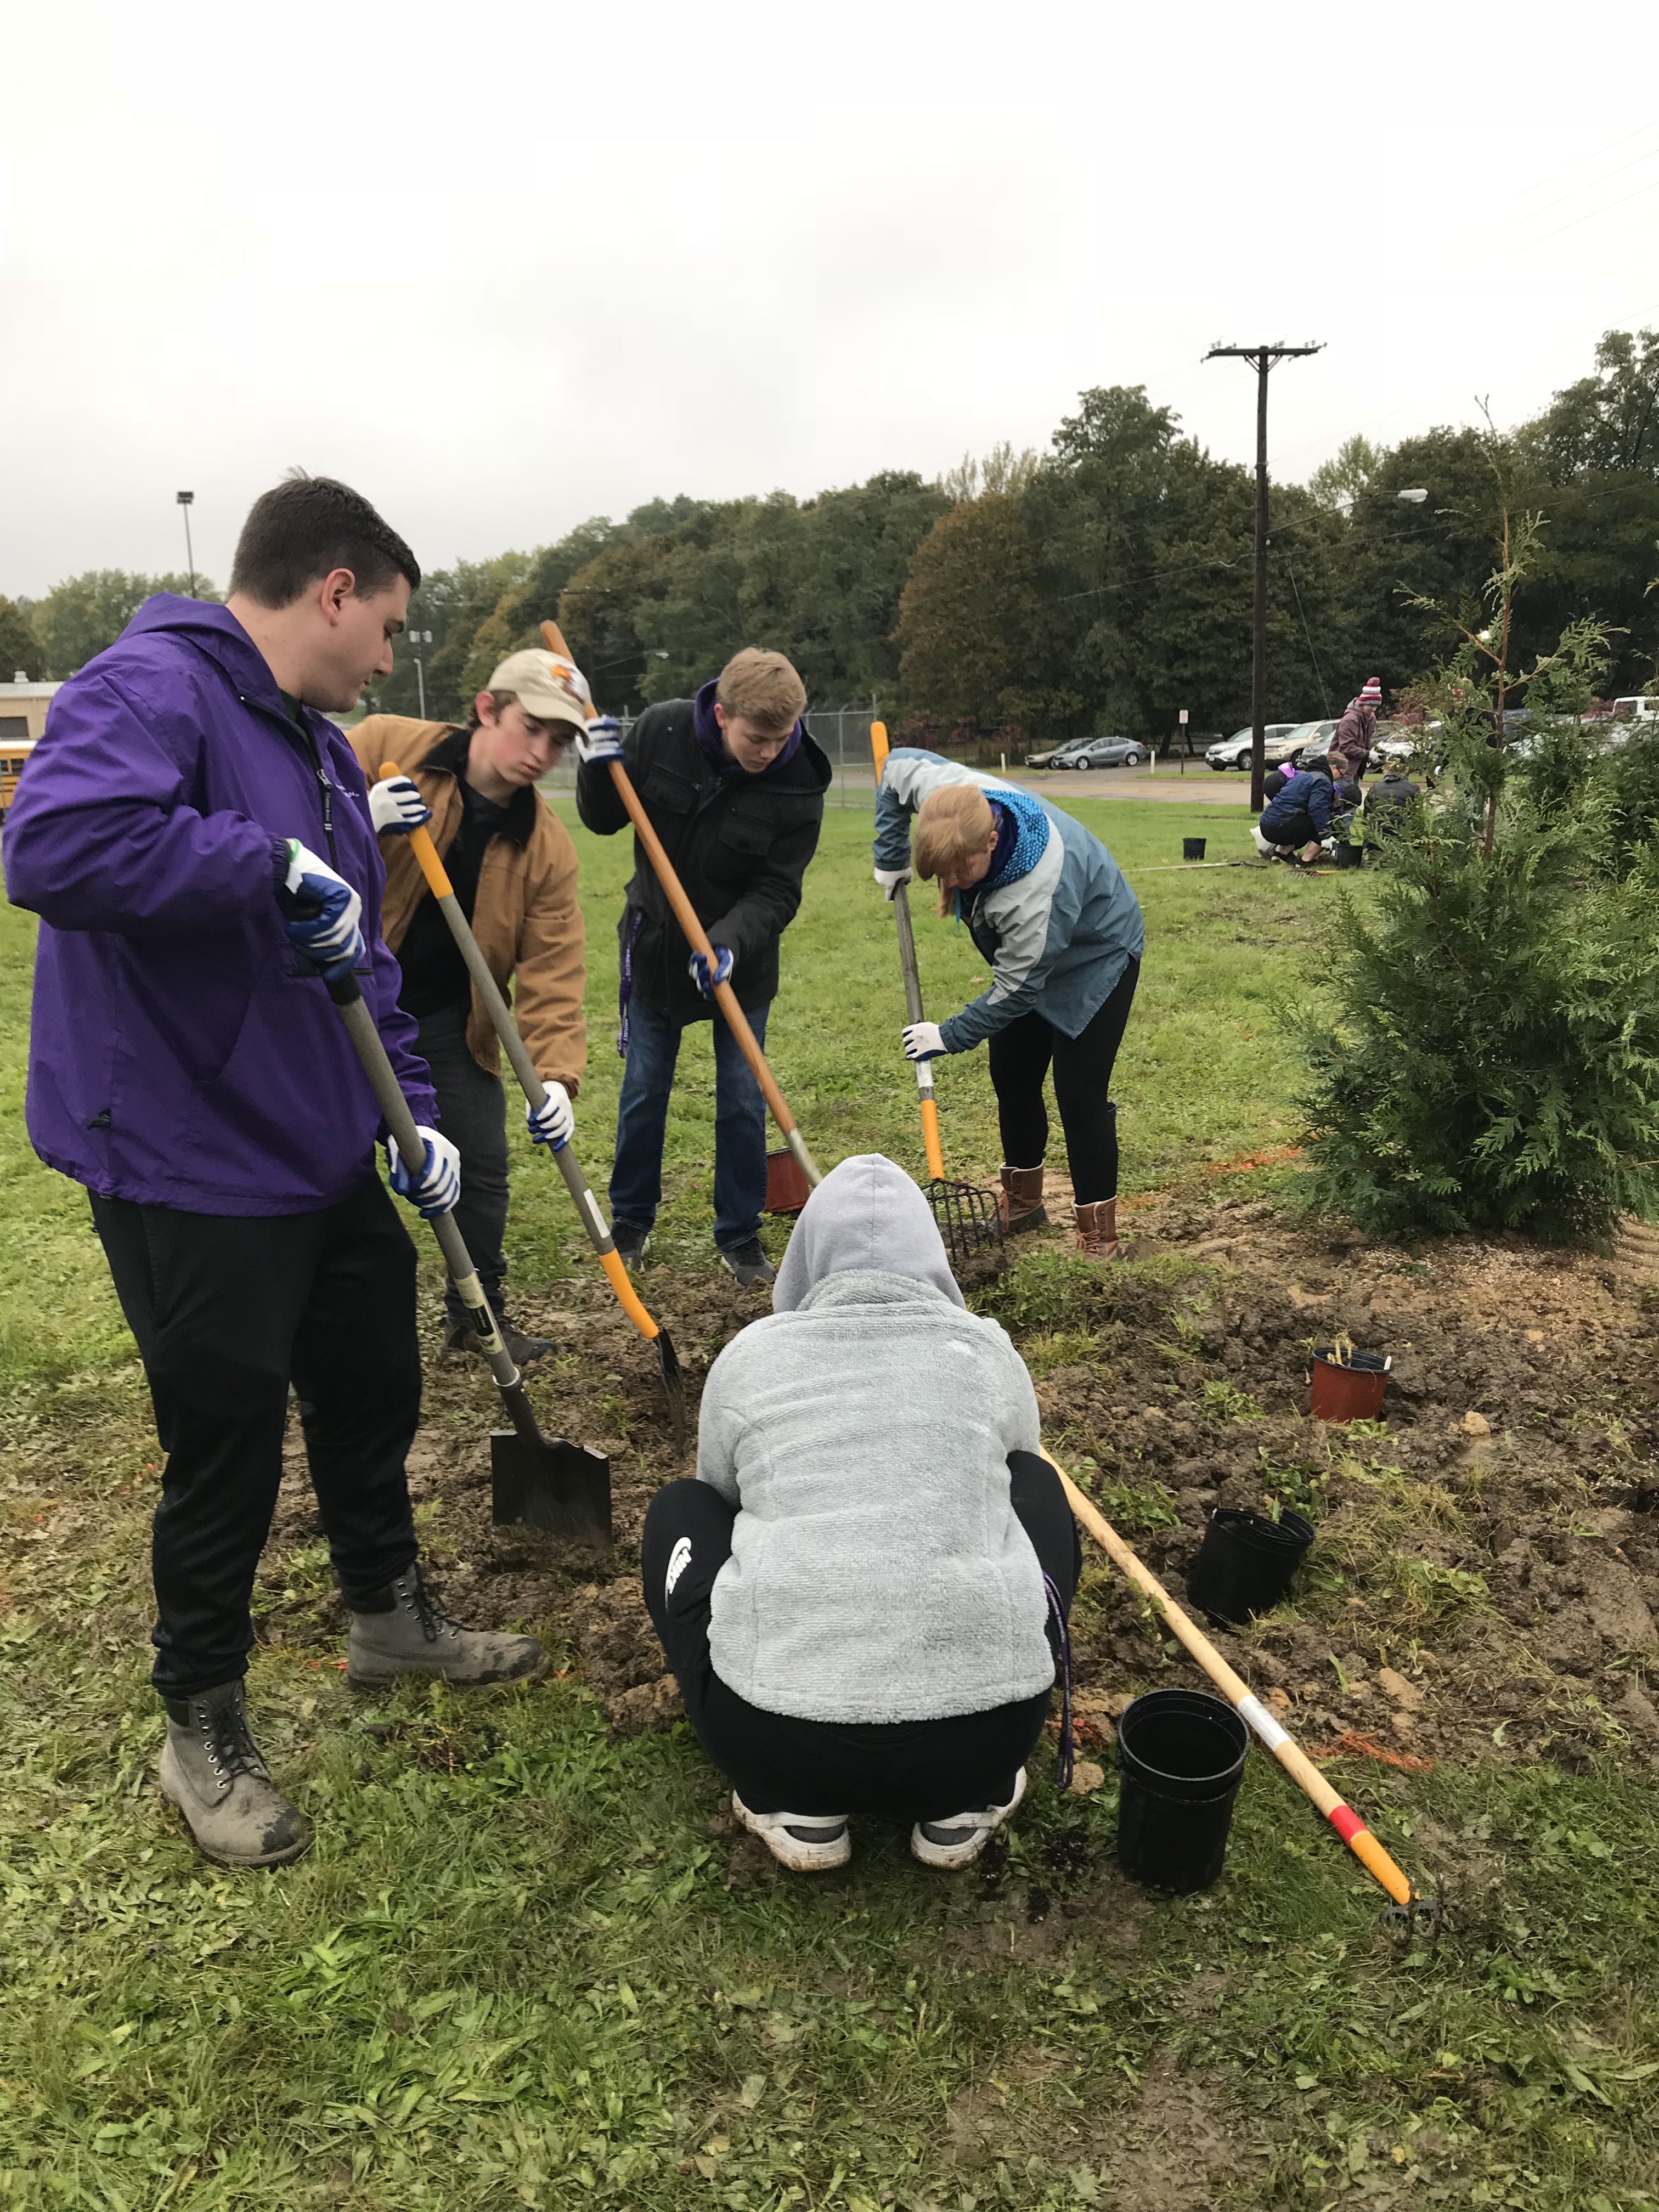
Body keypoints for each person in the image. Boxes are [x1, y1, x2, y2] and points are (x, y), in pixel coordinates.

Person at [2, 476, 546, 1873]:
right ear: (331, 591)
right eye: (388, 628)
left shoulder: (313, 746)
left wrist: (415, 1117)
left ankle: (386, 1613)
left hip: (316, 1145)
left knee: (372, 1382)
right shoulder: (153, 688)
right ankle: (201, 1720)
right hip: (184, 1151)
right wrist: (263, 868)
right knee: (227, 1438)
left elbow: (359, 956)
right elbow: (52, 844)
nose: (389, 660)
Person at [641, 1154, 1080, 1872]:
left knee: (678, 1511)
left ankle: (797, 1808)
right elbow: (1016, 1481)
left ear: (805, 1258)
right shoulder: (985, 1351)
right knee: (1038, 1485)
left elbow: (719, 1499)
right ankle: (960, 1808)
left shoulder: (749, 1359)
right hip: (984, 1740)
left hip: (773, 1739)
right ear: (934, 1258)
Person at [352, 647, 589, 1365]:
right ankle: (327, 1333)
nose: (542, 752)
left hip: (450, 1022)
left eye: (559, 740)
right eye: (532, 727)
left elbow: (554, 969)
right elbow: (279, 831)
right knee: (332, 1170)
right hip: (341, 1004)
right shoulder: (385, 748)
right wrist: (355, 820)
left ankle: (476, 1318)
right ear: (488, 709)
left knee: (481, 1169)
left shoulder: (545, 846)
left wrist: (554, 1076)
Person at [574, 648, 830, 1289]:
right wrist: (592, 766)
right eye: (756, 737)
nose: (769, 751)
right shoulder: (661, 731)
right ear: (721, 715)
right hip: (658, 946)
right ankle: (631, 1222)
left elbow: (778, 890)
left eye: (781, 738)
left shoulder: (800, 782)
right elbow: (604, 820)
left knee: (743, 1100)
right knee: (643, 1092)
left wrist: (728, 941)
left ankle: (740, 1234)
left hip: (740, 963)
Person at [871, 752, 1144, 1260]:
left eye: (961, 872)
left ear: (992, 840)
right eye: (942, 875)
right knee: (1012, 1075)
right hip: (1029, 956)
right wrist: (890, 853)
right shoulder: (948, 791)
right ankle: (1023, 1205)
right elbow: (894, 770)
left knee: (1079, 1093)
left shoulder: (1035, 890)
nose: (951, 886)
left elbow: (1018, 989)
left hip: (1096, 956)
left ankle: (1098, 1238)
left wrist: (949, 1035)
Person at [1252, 741, 1343, 864]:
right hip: (1281, 826)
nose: (1340, 778)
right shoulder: (1323, 781)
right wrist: (1327, 836)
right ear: (1333, 767)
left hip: (1266, 825)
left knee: (1304, 820)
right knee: (1326, 821)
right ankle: (1305, 861)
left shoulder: (1303, 776)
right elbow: (1317, 809)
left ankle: (1281, 854)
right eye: (1341, 774)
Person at [1328, 676, 1383, 782]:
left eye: (1376, 706)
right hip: (1341, 770)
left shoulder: (1371, 718)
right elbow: (1346, 747)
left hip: (1356, 769)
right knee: (1342, 797)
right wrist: (1368, 754)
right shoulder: (1350, 720)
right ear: (1363, 703)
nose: (1373, 709)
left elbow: (1365, 743)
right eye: (1371, 706)